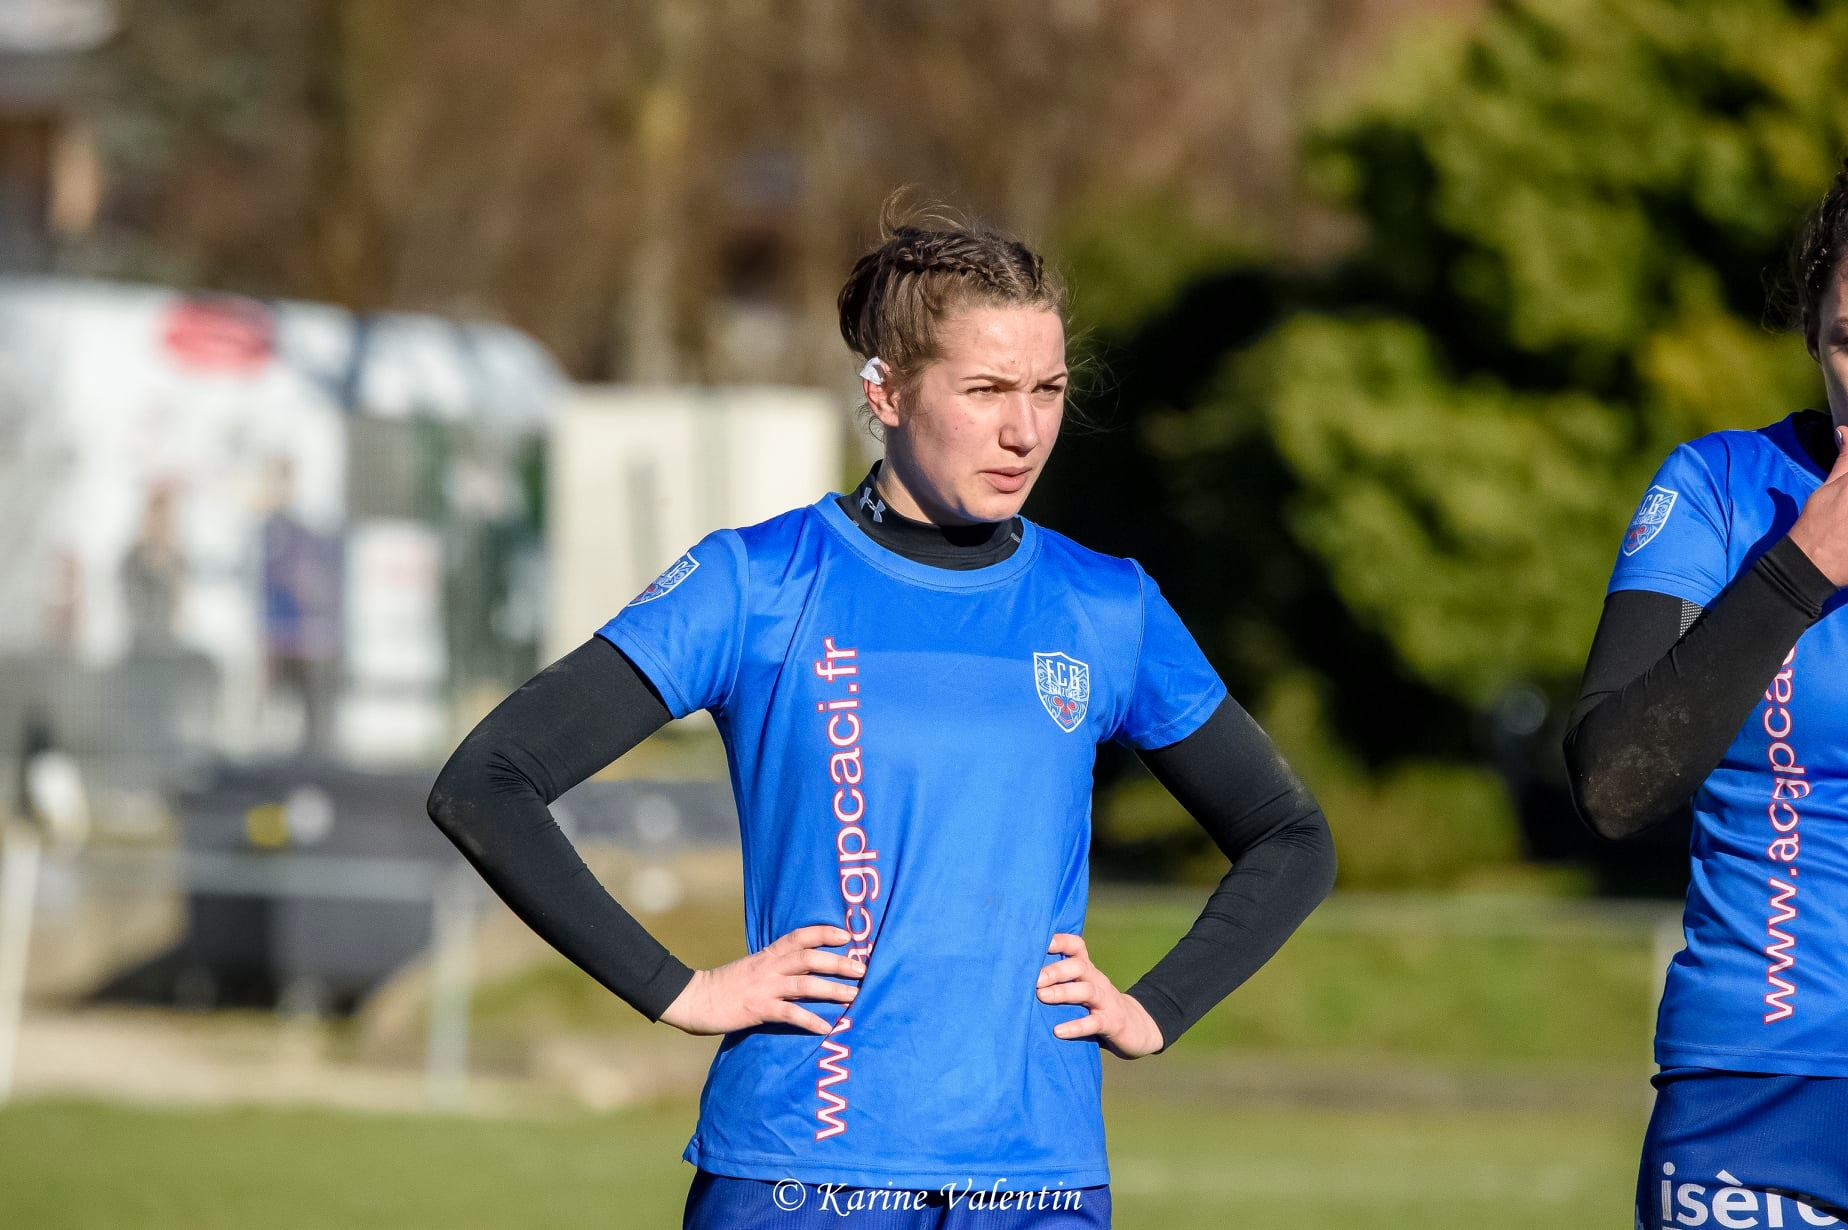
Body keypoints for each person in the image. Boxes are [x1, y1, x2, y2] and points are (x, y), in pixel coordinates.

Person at [428, 203, 1337, 1228]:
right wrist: (680, 990)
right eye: (986, 389)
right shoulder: (758, 583)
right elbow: (487, 782)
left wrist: (1155, 1008)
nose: (1025, 428)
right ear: (885, 392)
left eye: (1047, 389)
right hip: (797, 1177)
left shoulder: (1104, 604)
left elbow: (1289, 837)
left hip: (1038, 1185)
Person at [1564, 162, 1848, 1225]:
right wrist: (1800, 569)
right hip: (1758, 1091)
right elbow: (1614, 786)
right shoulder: (1720, 491)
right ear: (1814, 337)